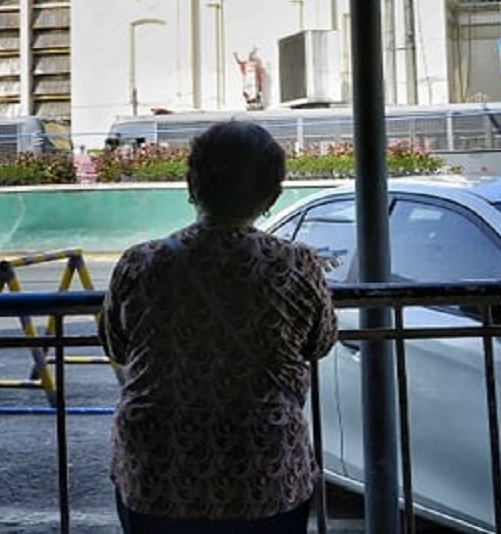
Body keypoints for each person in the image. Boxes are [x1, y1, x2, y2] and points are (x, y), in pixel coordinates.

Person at [99, 121, 336, 533]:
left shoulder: (142, 263)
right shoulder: (295, 265)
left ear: (192, 185)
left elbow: (116, 346)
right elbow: (320, 342)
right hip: (261, 465)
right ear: (271, 194)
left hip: (159, 467)